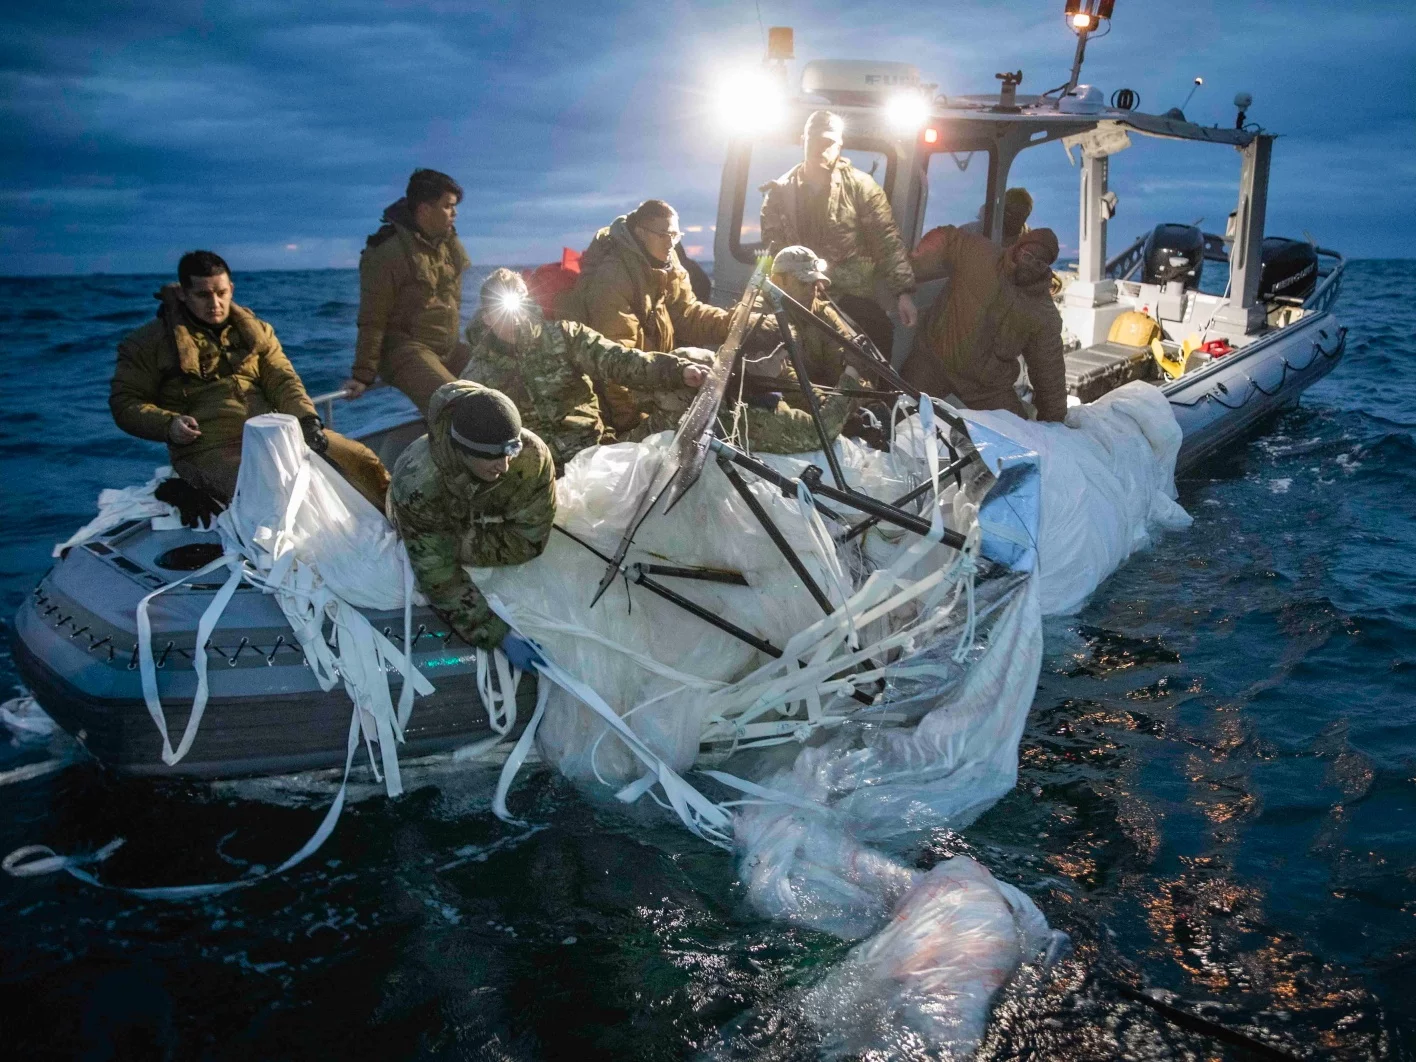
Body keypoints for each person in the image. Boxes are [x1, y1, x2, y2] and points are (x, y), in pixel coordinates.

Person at [109, 251, 390, 513]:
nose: (215, 304)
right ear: (183, 294)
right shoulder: (147, 343)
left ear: (231, 288)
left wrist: (307, 421)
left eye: (221, 293)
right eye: (203, 295)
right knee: (268, 494)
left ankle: (404, 525)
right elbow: (125, 403)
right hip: (207, 448)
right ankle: (188, 487)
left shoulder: (257, 332)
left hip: (275, 433)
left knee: (361, 459)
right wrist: (168, 424)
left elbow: (283, 379)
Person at [464, 269, 709, 472]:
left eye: (519, 308)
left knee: (687, 380)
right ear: (486, 318)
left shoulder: (565, 336)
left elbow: (618, 361)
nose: (515, 321)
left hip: (596, 455)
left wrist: (677, 370)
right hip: (537, 477)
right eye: (502, 312)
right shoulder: (477, 375)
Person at [388, 382, 554, 668]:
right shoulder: (417, 482)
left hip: (464, 523)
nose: (504, 466)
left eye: (509, 452)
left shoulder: (530, 456)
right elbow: (438, 574)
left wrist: (466, 537)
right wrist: (498, 635)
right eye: (491, 457)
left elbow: (530, 539)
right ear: (463, 451)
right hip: (424, 518)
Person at [558, 199, 737, 435]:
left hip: (652, 376)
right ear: (641, 233)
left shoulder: (666, 265)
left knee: (709, 366)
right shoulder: (612, 277)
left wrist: (732, 324)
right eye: (664, 234)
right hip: (621, 397)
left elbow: (687, 313)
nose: (671, 242)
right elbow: (615, 362)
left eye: (675, 234)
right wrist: (632, 426)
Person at [759, 110, 917, 357]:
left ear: (840, 145)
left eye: (829, 143)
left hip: (848, 294)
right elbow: (772, 253)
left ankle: (877, 395)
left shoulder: (861, 187)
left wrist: (903, 293)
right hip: (798, 295)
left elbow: (886, 240)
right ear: (803, 141)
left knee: (879, 332)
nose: (821, 149)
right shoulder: (779, 194)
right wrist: (766, 291)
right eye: (815, 141)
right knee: (767, 341)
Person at [900, 226, 1068, 423]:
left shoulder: (1043, 313)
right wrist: (916, 263)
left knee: (1020, 437)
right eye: (1028, 256)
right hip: (934, 362)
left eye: (1040, 264)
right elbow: (947, 236)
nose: (1031, 266)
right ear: (1018, 249)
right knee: (896, 408)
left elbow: (1049, 371)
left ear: (1047, 268)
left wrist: (1054, 421)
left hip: (985, 388)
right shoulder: (980, 254)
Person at [343, 169, 472, 415]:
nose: (454, 213)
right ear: (424, 209)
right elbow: (373, 317)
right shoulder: (386, 251)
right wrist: (363, 374)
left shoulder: (446, 243)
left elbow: (452, 297)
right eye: (448, 206)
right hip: (406, 350)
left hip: (447, 347)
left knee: (503, 381)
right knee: (456, 403)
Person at [960, 187, 1034, 248]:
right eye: (1009, 213)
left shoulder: (1030, 244)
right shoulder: (970, 232)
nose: (1013, 219)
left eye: (1020, 216)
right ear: (1000, 209)